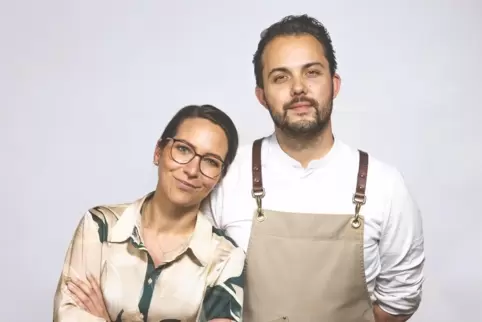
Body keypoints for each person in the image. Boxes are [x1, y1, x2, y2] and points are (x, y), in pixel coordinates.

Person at [202, 15, 425, 322]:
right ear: (261, 96)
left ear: (334, 84)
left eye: (312, 73)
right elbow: (192, 278)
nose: (298, 88)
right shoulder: (227, 176)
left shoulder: (384, 184)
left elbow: (400, 299)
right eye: (280, 77)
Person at [53, 104, 245, 322]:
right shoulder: (100, 226)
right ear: (158, 152)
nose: (192, 170)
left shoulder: (226, 257)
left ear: (219, 177)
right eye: (183, 149)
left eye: (210, 161)